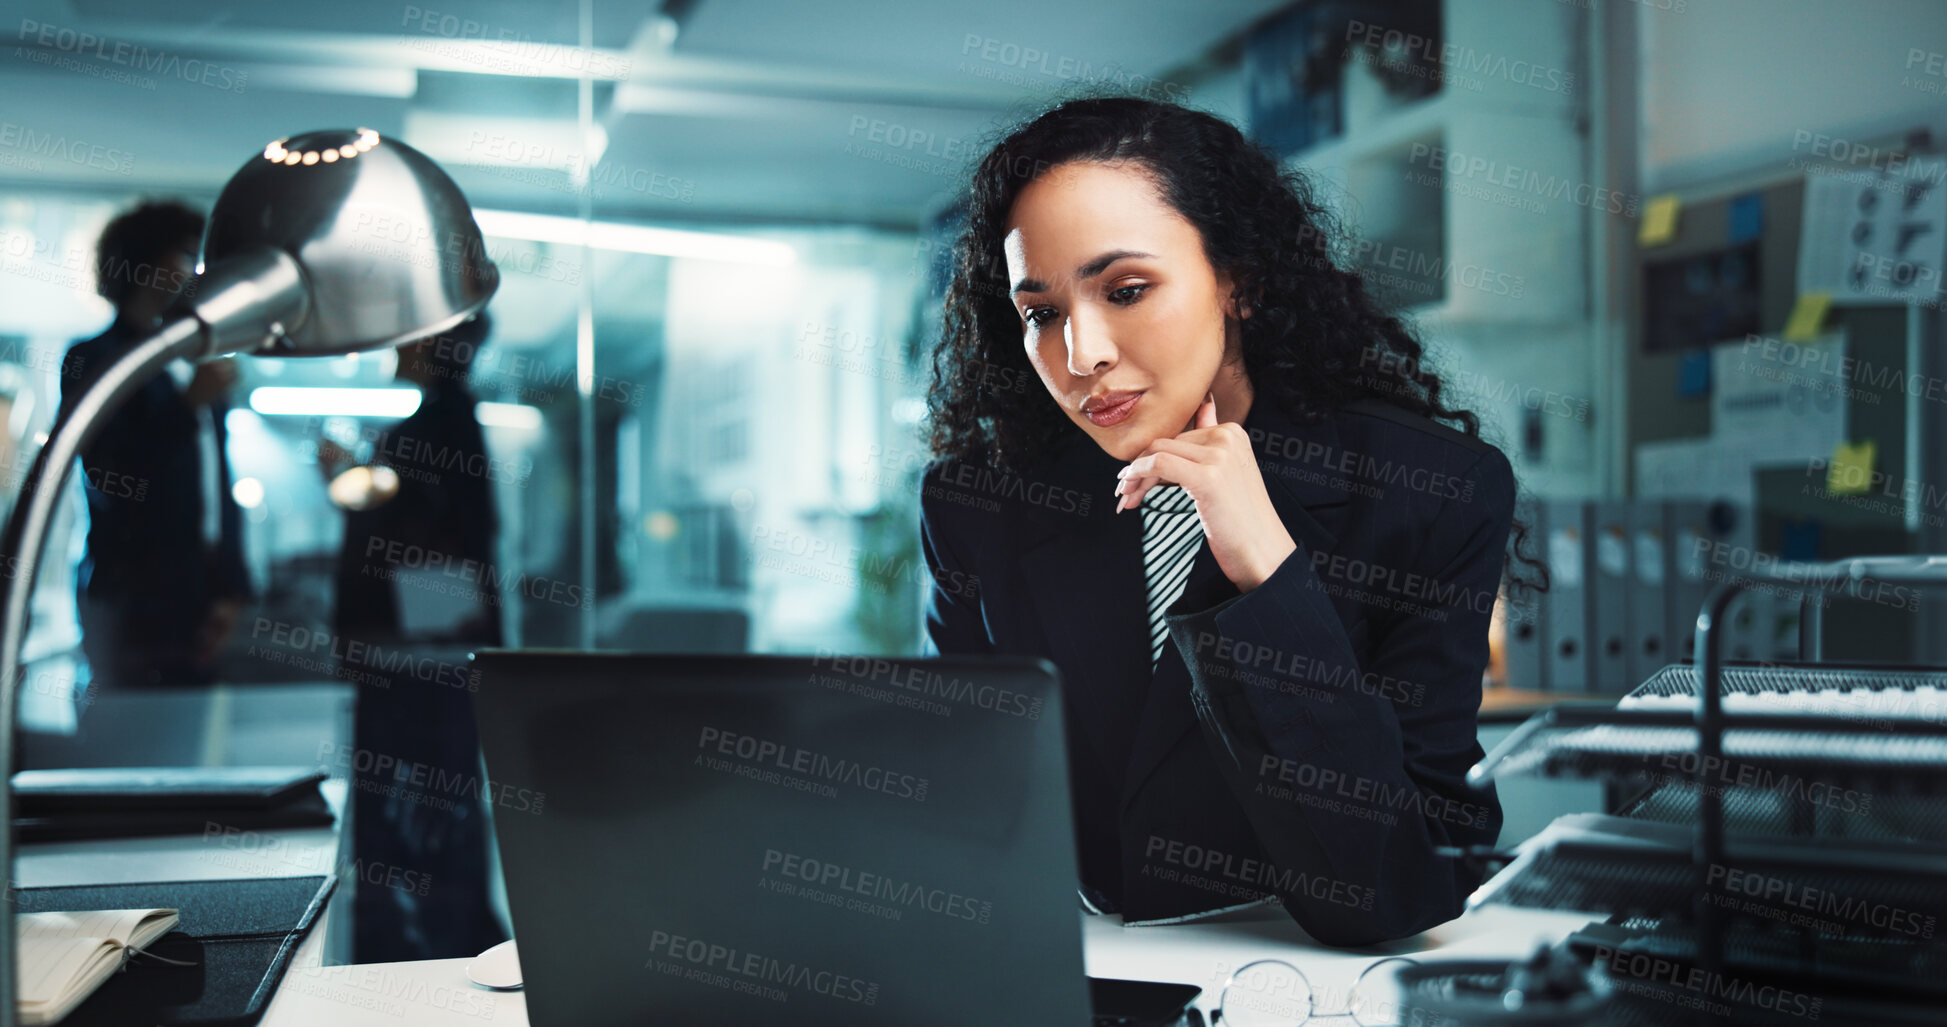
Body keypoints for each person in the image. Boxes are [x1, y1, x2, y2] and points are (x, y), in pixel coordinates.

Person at [919, 97, 1532, 946]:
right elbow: (965, 805)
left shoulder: (1430, 489)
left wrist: (1268, 575)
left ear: (1238, 280)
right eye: (1042, 312)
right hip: (1069, 962)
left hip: (1302, 978)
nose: (1080, 353)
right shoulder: (977, 502)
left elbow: (1403, 886)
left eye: (1125, 289)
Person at [322, 310, 507, 963]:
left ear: (433, 342)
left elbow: (412, 532)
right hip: (427, 656)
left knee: (416, 811)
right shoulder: (450, 419)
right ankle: (440, 941)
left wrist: (352, 483)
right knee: (436, 805)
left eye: (409, 333)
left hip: (413, 660)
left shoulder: (434, 426)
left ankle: (419, 950)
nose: (395, 345)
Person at [62, 200, 249, 687]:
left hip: (200, 593)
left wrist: (230, 587)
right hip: (131, 592)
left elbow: (218, 482)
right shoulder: (93, 357)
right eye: (185, 254)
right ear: (145, 263)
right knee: (124, 737)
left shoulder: (192, 358)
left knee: (194, 739)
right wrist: (187, 406)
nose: (195, 270)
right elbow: (109, 473)